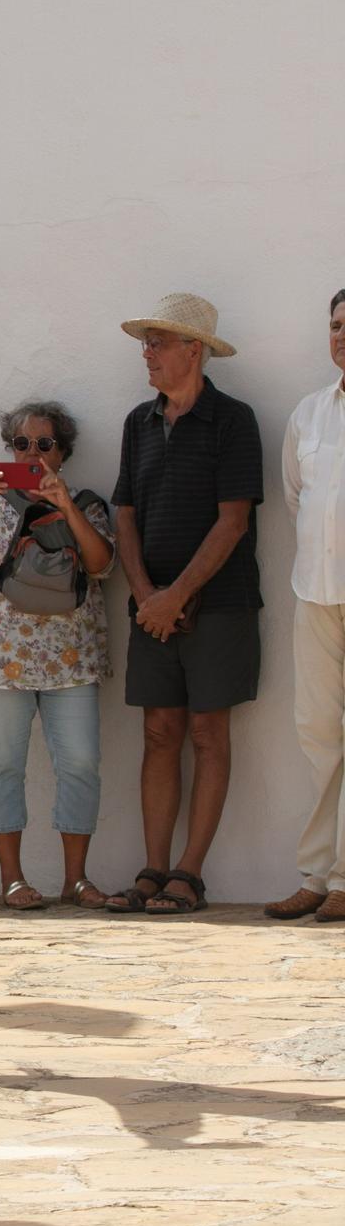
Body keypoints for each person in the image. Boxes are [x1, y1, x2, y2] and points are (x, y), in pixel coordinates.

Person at [104, 293, 261, 918]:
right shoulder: (137, 422)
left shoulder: (233, 420)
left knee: (207, 732)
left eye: (158, 342)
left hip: (220, 604)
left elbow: (233, 520)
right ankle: (153, 868)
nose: (147, 353)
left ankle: (189, 875)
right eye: (145, 342)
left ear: (193, 351)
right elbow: (125, 512)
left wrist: (177, 596)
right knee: (159, 731)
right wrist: (146, 596)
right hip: (152, 608)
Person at [0, 402, 114, 910]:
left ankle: (76, 879)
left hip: (71, 657)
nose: (32, 453)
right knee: (3, 764)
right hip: (1, 657)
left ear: (63, 451)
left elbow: (100, 564)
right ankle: (12, 879)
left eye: (44, 445)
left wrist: (65, 505)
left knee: (81, 764)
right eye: (21, 445)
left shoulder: (85, 503)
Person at [269, 288, 345, 924]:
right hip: (316, 592)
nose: (341, 336)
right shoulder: (311, 413)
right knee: (318, 733)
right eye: (337, 326)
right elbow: (299, 500)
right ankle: (318, 876)